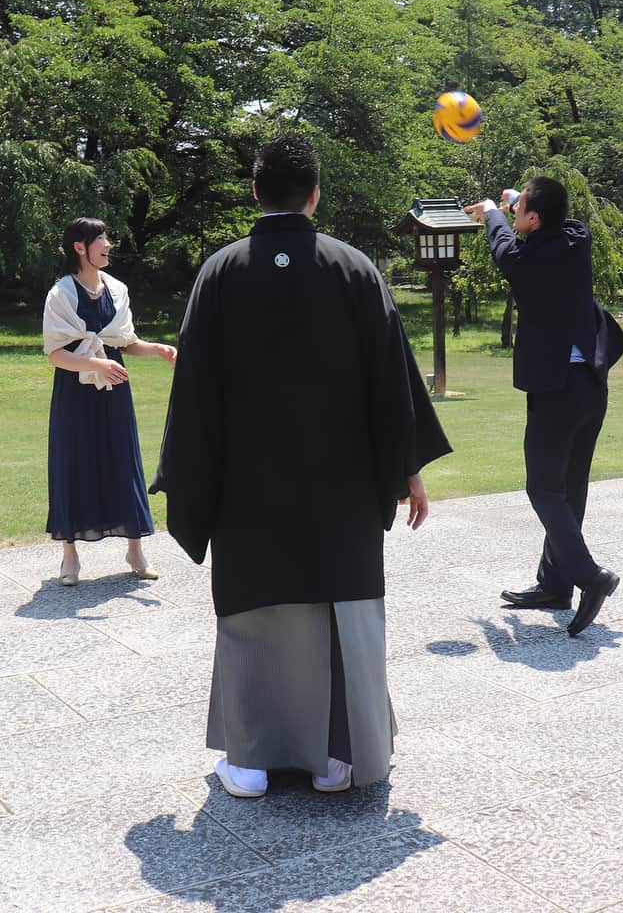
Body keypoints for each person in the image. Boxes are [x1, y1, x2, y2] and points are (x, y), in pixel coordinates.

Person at [149, 134, 450, 798]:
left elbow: (194, 397)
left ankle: (252, 761)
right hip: (338, 493)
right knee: (339, 608)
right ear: (316, 194)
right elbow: (390, 388)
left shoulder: (220, 273)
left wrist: (191, 489)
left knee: (256, 617)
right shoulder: (355, 269)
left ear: (255, 192)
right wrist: (409, 472)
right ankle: (337, 759)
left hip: (248, 495)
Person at [465, 178, 623, 638]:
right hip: (591, 388)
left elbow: (503, 247)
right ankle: (555, 585)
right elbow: (551, 224)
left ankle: (590, 576)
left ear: (532, 221)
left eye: (521, 213)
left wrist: (491, 213)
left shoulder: (525, 260)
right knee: (570, 486)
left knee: (542, 489)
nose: (515, 218)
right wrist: (515, 203)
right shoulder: (577, 239)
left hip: (556, 391)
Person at [43, 218, 176, 586]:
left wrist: (159, 350)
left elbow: (126, 343)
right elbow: (56, 354)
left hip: (115, 393)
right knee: (72, 465)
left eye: (106, 237)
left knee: (124, 462)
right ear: (79, 247)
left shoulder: (117, 290)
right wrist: (94, 363)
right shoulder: (61, 295)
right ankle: (69, 558)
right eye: (99, 239)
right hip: (75, 395)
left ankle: (135, 551)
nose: (107, 244)